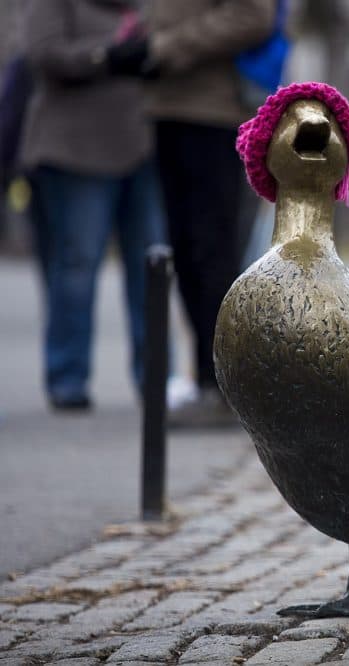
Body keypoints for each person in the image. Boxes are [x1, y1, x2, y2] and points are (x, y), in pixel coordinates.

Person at [20, 0, 165, 410]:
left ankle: (155, 380)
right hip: (74, 150)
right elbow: (42, 52)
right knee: (77, 266)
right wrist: (106, 55)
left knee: (152, 267)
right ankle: (67, 378)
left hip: (141, 145)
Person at [140, 0, 278, 427]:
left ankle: (224, 388)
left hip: (215, 111)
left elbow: (254, 15)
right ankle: (204, 382)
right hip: (166, 106)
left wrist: (166, 46)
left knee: (212, 251)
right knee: (185, 251)